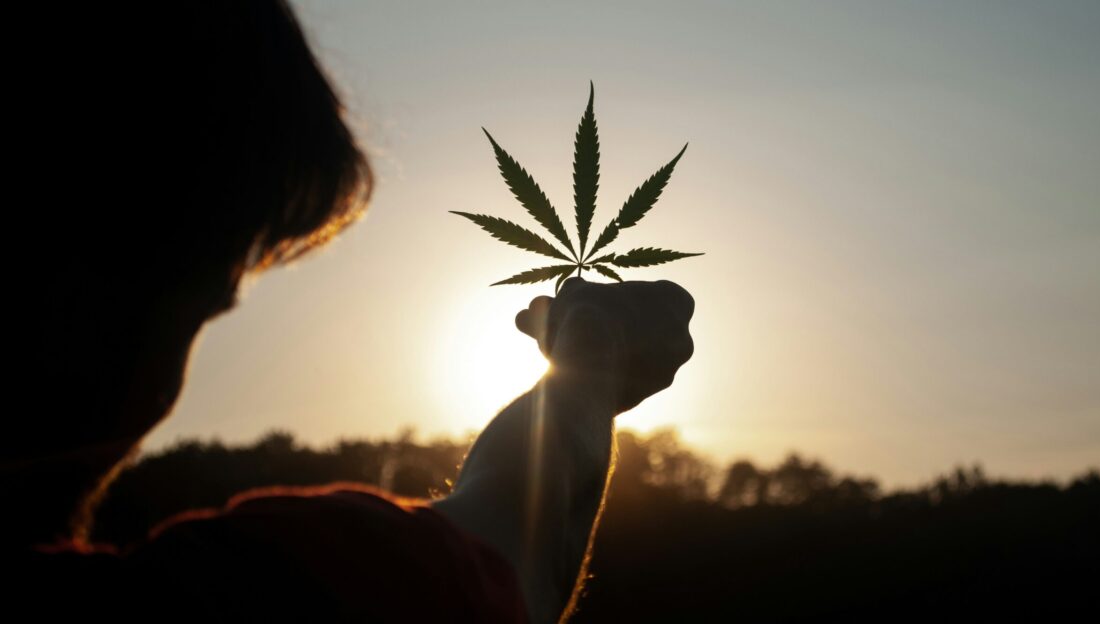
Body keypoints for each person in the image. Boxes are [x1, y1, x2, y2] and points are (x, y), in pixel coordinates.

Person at [7, 1, 695, 622]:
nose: (165, 389)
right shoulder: (260, 594)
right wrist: (589, 365)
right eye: (197, 311)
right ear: (78, 303)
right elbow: (517, 549)